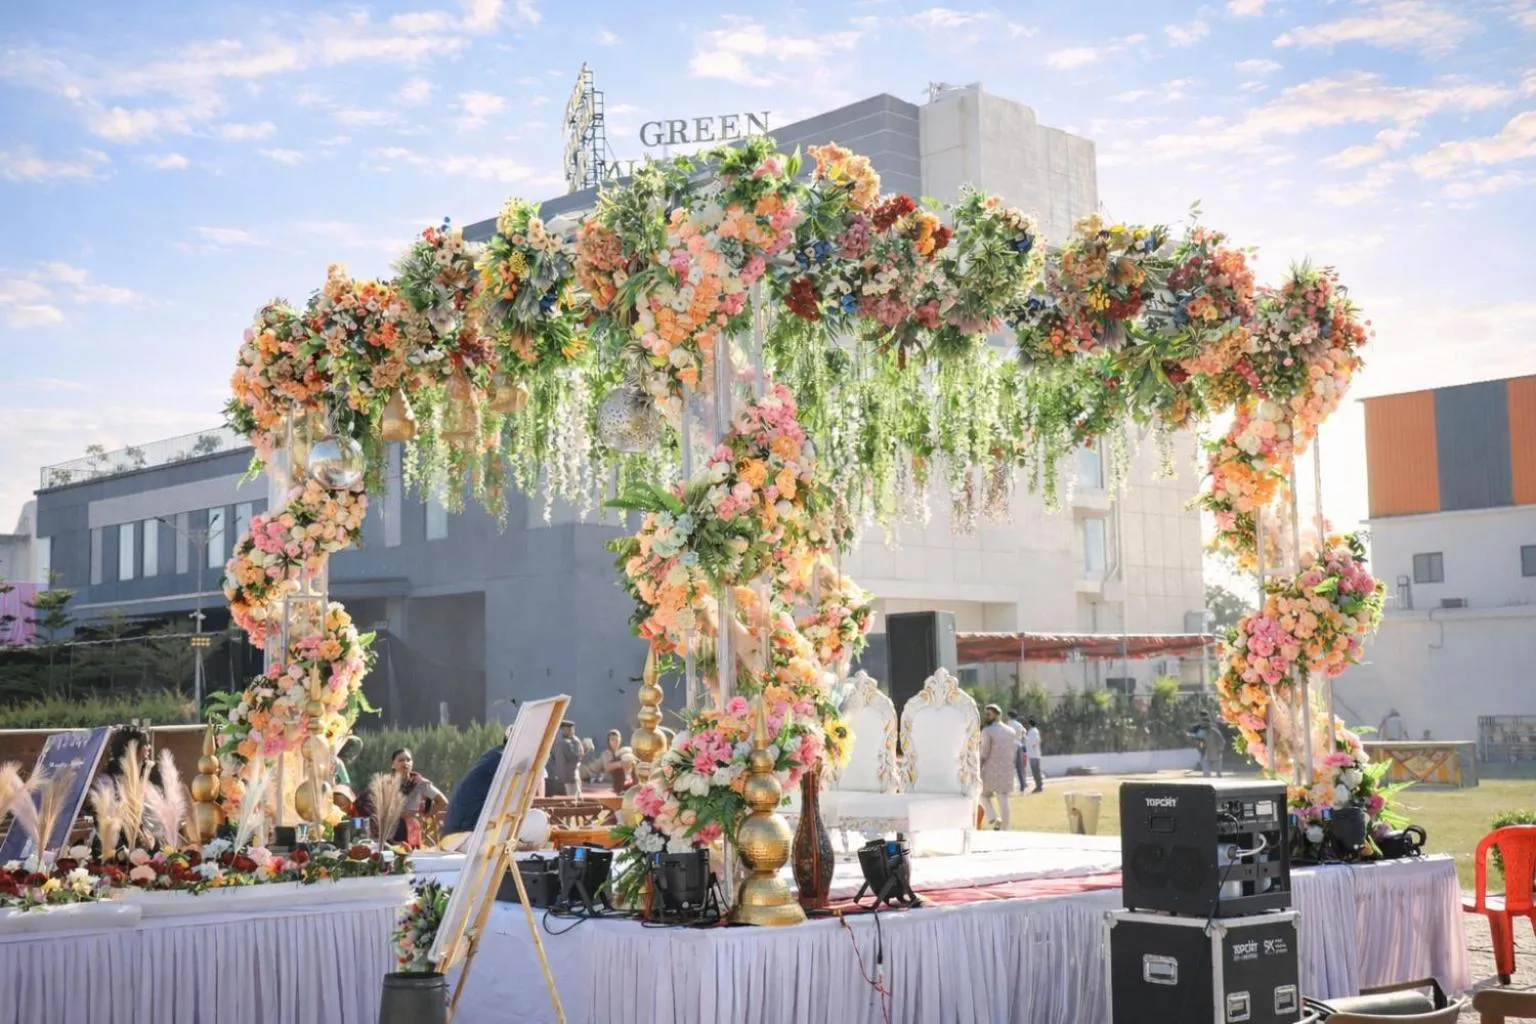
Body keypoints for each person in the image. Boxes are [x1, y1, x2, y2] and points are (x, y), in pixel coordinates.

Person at [444, 742, 506, 836]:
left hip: (458, 828)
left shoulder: (493, 755)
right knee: (535, 819)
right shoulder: (503, 759)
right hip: (467, 831)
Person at [388, 748, 445, 848]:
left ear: (412, 763)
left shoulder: (420, 783)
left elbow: (442, 802)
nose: (405, 763)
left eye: (408, 760)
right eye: (401, 760)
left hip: (412, 829)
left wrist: (424, 817)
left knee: (411, 860)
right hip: (389, 829)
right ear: (393, 764)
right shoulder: (385, 784)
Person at [979, 705, 1018, 830]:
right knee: (1004, 797)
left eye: (989, 714)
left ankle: (994, 818)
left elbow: (984, 752)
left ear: (997, 715)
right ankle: (1005, 827)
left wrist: (979, 767)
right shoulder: (1011, 731)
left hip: (991, 769)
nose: (987, 716)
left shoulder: (987, 731)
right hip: (1007, 768)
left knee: (983, 795)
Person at [549, 721, 584, 798]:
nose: (572, 732)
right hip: (570, 778)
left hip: (559, 777)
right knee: (573, 799)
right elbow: (576, 757)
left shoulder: (556, 741)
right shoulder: (569, 743)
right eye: (570, 730)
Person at [1191, 712, 1224, 778]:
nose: (1204, 723)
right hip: (1205, 756)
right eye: (1203, 722)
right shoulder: (1200, 732)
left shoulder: (1214, 731)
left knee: (1219, 774)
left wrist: (1220, 750)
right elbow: (1197, 743)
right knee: (1206, 775)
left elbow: (1221, 741)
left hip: (1216, 755)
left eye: (1206, 722)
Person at [1005, 709, 1027, 791]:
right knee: (1019, 768)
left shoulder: (1007, 724)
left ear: (1010, 716)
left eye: (1007, 715)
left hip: (1010, 747)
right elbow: (1022, 735)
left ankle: (1009, 787)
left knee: (1009, 768)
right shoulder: (1019, 725)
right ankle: (1022, 787)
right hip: (1019, 746)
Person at [1024, 718, 1044, 793]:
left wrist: (1034, 746)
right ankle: (1038, 785)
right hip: (1032, 754)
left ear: (1030, 724)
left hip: (1034, 754)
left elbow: (1037, 740)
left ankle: (1039, 786)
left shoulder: (1034, 731)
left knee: (1036, 771)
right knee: (1035, 771)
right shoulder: (1031, 731)